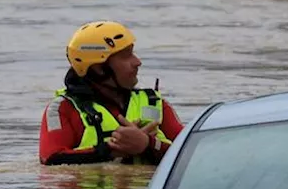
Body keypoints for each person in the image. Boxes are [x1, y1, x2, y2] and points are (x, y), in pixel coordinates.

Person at [40, 21, 184, 165]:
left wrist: (148, 144)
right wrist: (110, 150)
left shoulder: (155, 103)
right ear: (99, 68)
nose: (137, 62)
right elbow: (51, 158)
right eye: (126, 56)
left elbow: (191, 152)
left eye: (133, 53)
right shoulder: (62, 109)